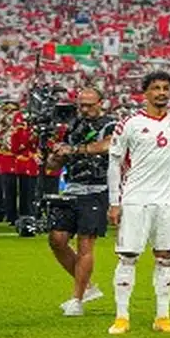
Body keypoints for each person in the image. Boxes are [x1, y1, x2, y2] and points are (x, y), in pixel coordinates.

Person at [106, 71, 170, 335]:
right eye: (156, 88)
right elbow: (115, 163)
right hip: (136, 200)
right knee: (128, 257)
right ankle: (121, 317)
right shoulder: (129, 124)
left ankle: (163, 317)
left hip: (168, 202)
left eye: (165, 88)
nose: (161, 92)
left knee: (165, 258)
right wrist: (114, 202)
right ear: (145, 93)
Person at [44, 88, 114, 316]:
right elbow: (53, 165)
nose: (85, 109)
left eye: (89, 105)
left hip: (97, 189)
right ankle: (89, 287)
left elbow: (106, 146)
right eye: (81, 105)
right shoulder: (71, 126)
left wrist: (73, 149)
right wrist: (54, 156)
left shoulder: (111, 124)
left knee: (85, 243)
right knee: (57, 239)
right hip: (72, 187)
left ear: (101, 103)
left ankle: (77, 299)